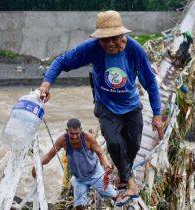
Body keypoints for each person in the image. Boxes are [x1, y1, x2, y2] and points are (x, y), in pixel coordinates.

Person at [37, 10, 164, 203]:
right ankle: (130, 183)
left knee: (134, 144)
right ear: (99, 40)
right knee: (113, 142)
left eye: (115, 38)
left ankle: (124, 172)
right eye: (106, 40)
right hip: (106, 106)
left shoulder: (135, 50)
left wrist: (157, 113)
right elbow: (61, 61)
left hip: (131, 105)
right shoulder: (93, 48)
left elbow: (150, 82)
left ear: (123, 35)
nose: (111, 44)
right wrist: (46, 84)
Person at [32, 118, 117, 209]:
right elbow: (49, 156)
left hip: (95, 173)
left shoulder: (88, 137)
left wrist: (106, 164)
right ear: (67, 131)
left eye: (77, 133)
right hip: (79, 178)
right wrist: (38, 163)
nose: (75, 137)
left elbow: (100, 153)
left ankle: (123, 203)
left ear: (81, 130)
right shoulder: (62, 140)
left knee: (113, 195)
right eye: (72, 134)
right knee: (79, 206)